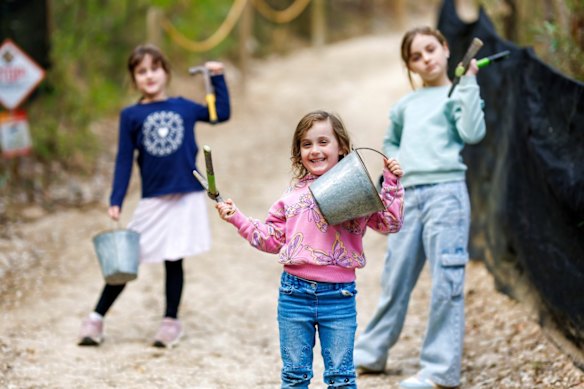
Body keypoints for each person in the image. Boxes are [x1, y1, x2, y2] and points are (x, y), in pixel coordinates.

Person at [214, 110, 404, 388]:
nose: (315, 150)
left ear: (342, 148)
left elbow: (390, 223)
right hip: (294, 294)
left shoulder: (357, 191)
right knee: (294, 376)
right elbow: (271, 239)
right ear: (298, 152)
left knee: (341, 377)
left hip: (339, 297)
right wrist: (237, 218)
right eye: (306, 144)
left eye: (323, 142)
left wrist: (391, 184)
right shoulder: (292, 197)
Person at [353, 26, 486, 389]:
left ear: (445, 49)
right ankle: (371, 353)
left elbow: (472, 133)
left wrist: (470, 84)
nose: (425, 58)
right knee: (395, 277)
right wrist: (393, 163)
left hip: (446, 195)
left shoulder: (457, 94)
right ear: (410, 67)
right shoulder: (405, 105)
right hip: (407, 197)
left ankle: (440, 369)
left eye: (430, 49)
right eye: (415, 56)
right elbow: (391, 139)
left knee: (447, 280)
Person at [78, 44, 231, 348]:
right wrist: (116, 198)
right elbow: (124, 159)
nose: (149, 75)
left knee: (174, 260)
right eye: (141, 71)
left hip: (186, 196)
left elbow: (220, 114)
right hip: (154, 199)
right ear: (134, 79)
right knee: (126, 258)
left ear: (165, 72)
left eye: (154, 68)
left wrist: (217, 79)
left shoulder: (184, 107)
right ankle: (96, 318)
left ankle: (170, 322)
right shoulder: (131, 115)